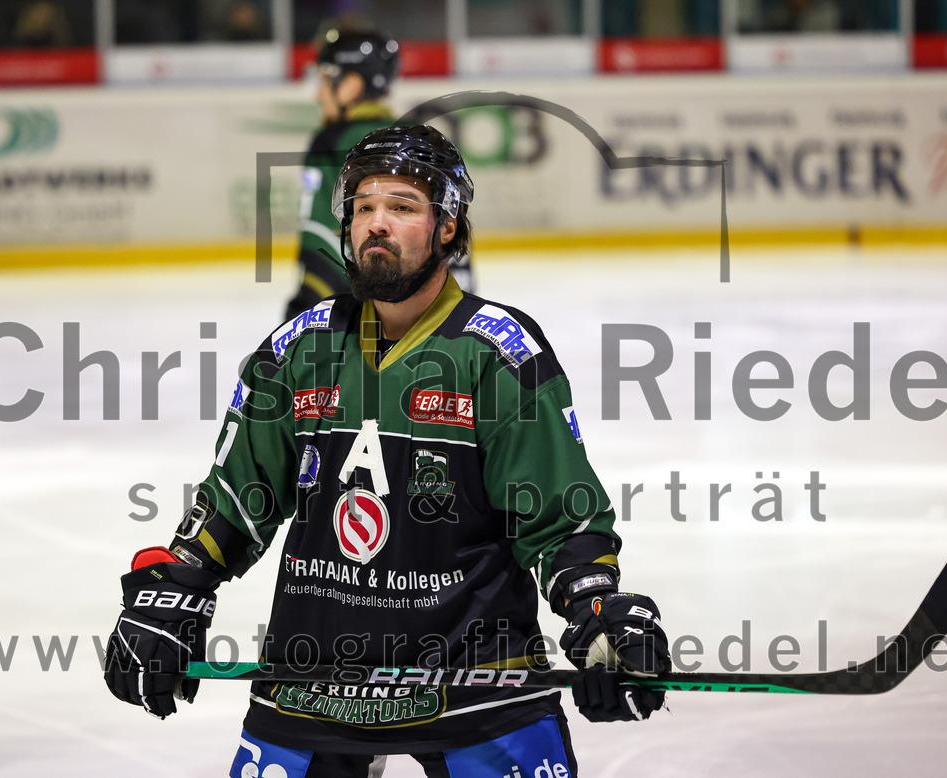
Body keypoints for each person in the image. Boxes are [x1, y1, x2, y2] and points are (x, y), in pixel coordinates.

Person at [104, 125, 670, 777]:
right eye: (364, 207)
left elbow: (558, 517)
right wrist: (176, 588)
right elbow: (238, 495)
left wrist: (597, 607)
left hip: (476, 684)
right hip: (313, 680)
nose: (377, 224)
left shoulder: (497, 353)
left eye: (402, 207)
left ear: (448, 228)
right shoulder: (299, 349)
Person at [285, 27, 473, 322]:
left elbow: (320, 243)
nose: (319, 94)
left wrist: (301, 317)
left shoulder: (332, 142)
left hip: (359, 327)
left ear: (350, 85)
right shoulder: (419, 141)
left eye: (325, 80)